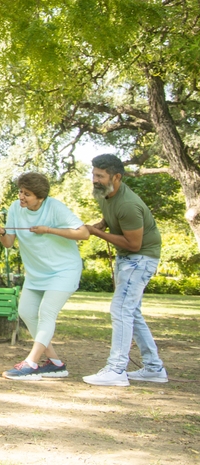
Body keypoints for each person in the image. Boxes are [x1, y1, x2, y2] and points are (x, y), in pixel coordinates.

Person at [0, 172, 88, 381]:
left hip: (64, 271)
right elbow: (8, 243)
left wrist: (49, 230)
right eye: (21, 192)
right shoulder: (16, 208)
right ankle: (55, 363)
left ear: (40, 198)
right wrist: (0, 232)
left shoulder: (54, 207)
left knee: (46, 313)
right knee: (26, 312)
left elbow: (83, 232)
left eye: (27, 194)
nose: (21, 197)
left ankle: (31, 363)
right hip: (36, 273)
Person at [82, 154, 167, 386]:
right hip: (127, 258)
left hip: (140, 258)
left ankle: (117, 369)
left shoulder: (129, 204)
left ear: (116, 177)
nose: (94, 179)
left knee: (120, 309)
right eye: (93, 174)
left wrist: (95, 231)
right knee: (131, 312)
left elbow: (134, 244)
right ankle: (153, 368)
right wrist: (102, 224)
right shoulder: (103, 193)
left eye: (100, 175)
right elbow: (111, 217)